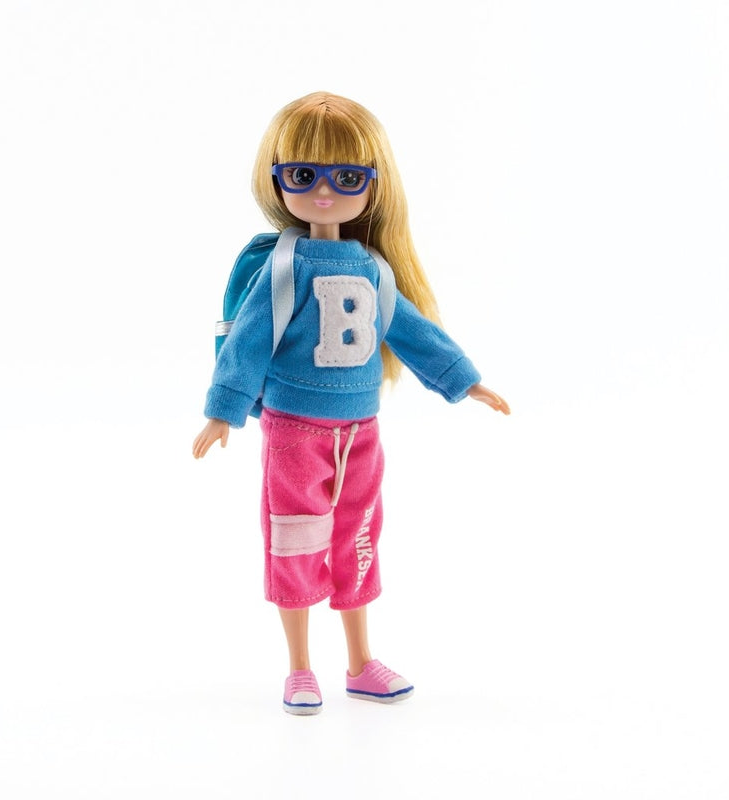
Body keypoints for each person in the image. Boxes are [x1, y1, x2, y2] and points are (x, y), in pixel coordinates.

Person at [193, 92, 510, 715]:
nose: (323, 192)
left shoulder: (373, 269)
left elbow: (411, 330)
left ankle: (361, 663)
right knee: (294, 539)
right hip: (294, 430)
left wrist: (462, 380)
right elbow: (250, 339)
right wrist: (223, 409)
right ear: (276, 179)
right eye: (302, 176)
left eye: (346, 178)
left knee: (358, 538)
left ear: (373, 183)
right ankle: (299, 667)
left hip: (361, 431)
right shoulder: (283, 266)